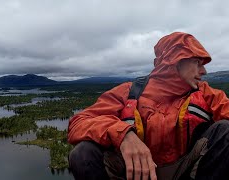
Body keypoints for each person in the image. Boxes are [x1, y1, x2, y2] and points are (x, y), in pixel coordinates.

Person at [67, 32, 229, 180]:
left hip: (187, 171)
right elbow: (78, 123)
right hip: (134, 173)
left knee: (225, 130)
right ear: (175, 60)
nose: (204, 71)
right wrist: (123, 136)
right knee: (83, 153)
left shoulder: (206, 93)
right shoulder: (129, 92)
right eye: (197, 62)